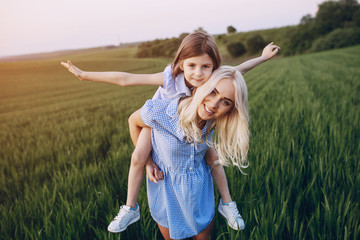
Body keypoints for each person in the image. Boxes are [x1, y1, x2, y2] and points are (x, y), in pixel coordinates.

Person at [61, 31, 280, 233]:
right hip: (158, 122)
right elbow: (127, 79)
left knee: (213, 157)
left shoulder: (210, 82)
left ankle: (227, 204)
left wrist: (262, 57)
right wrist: (84, 75)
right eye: (192, 65)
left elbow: (238, 70)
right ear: (181, 63)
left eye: (206, 67)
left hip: (191, 124)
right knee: (138, 157)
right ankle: (130, 207)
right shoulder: (170, 78)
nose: (198, 73)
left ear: (213, 67)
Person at [131, 65, 249, 239]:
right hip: (167, 191)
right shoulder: (163, 111)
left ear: (231, 109)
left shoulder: (212, 121)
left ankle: (227, 203)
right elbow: (133, 122)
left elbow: (236, 73)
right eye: (213, 92)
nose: (214, 105)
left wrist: (263, 58)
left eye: (226, 102)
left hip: (200, 190)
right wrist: (148, 161)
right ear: (202, 86)